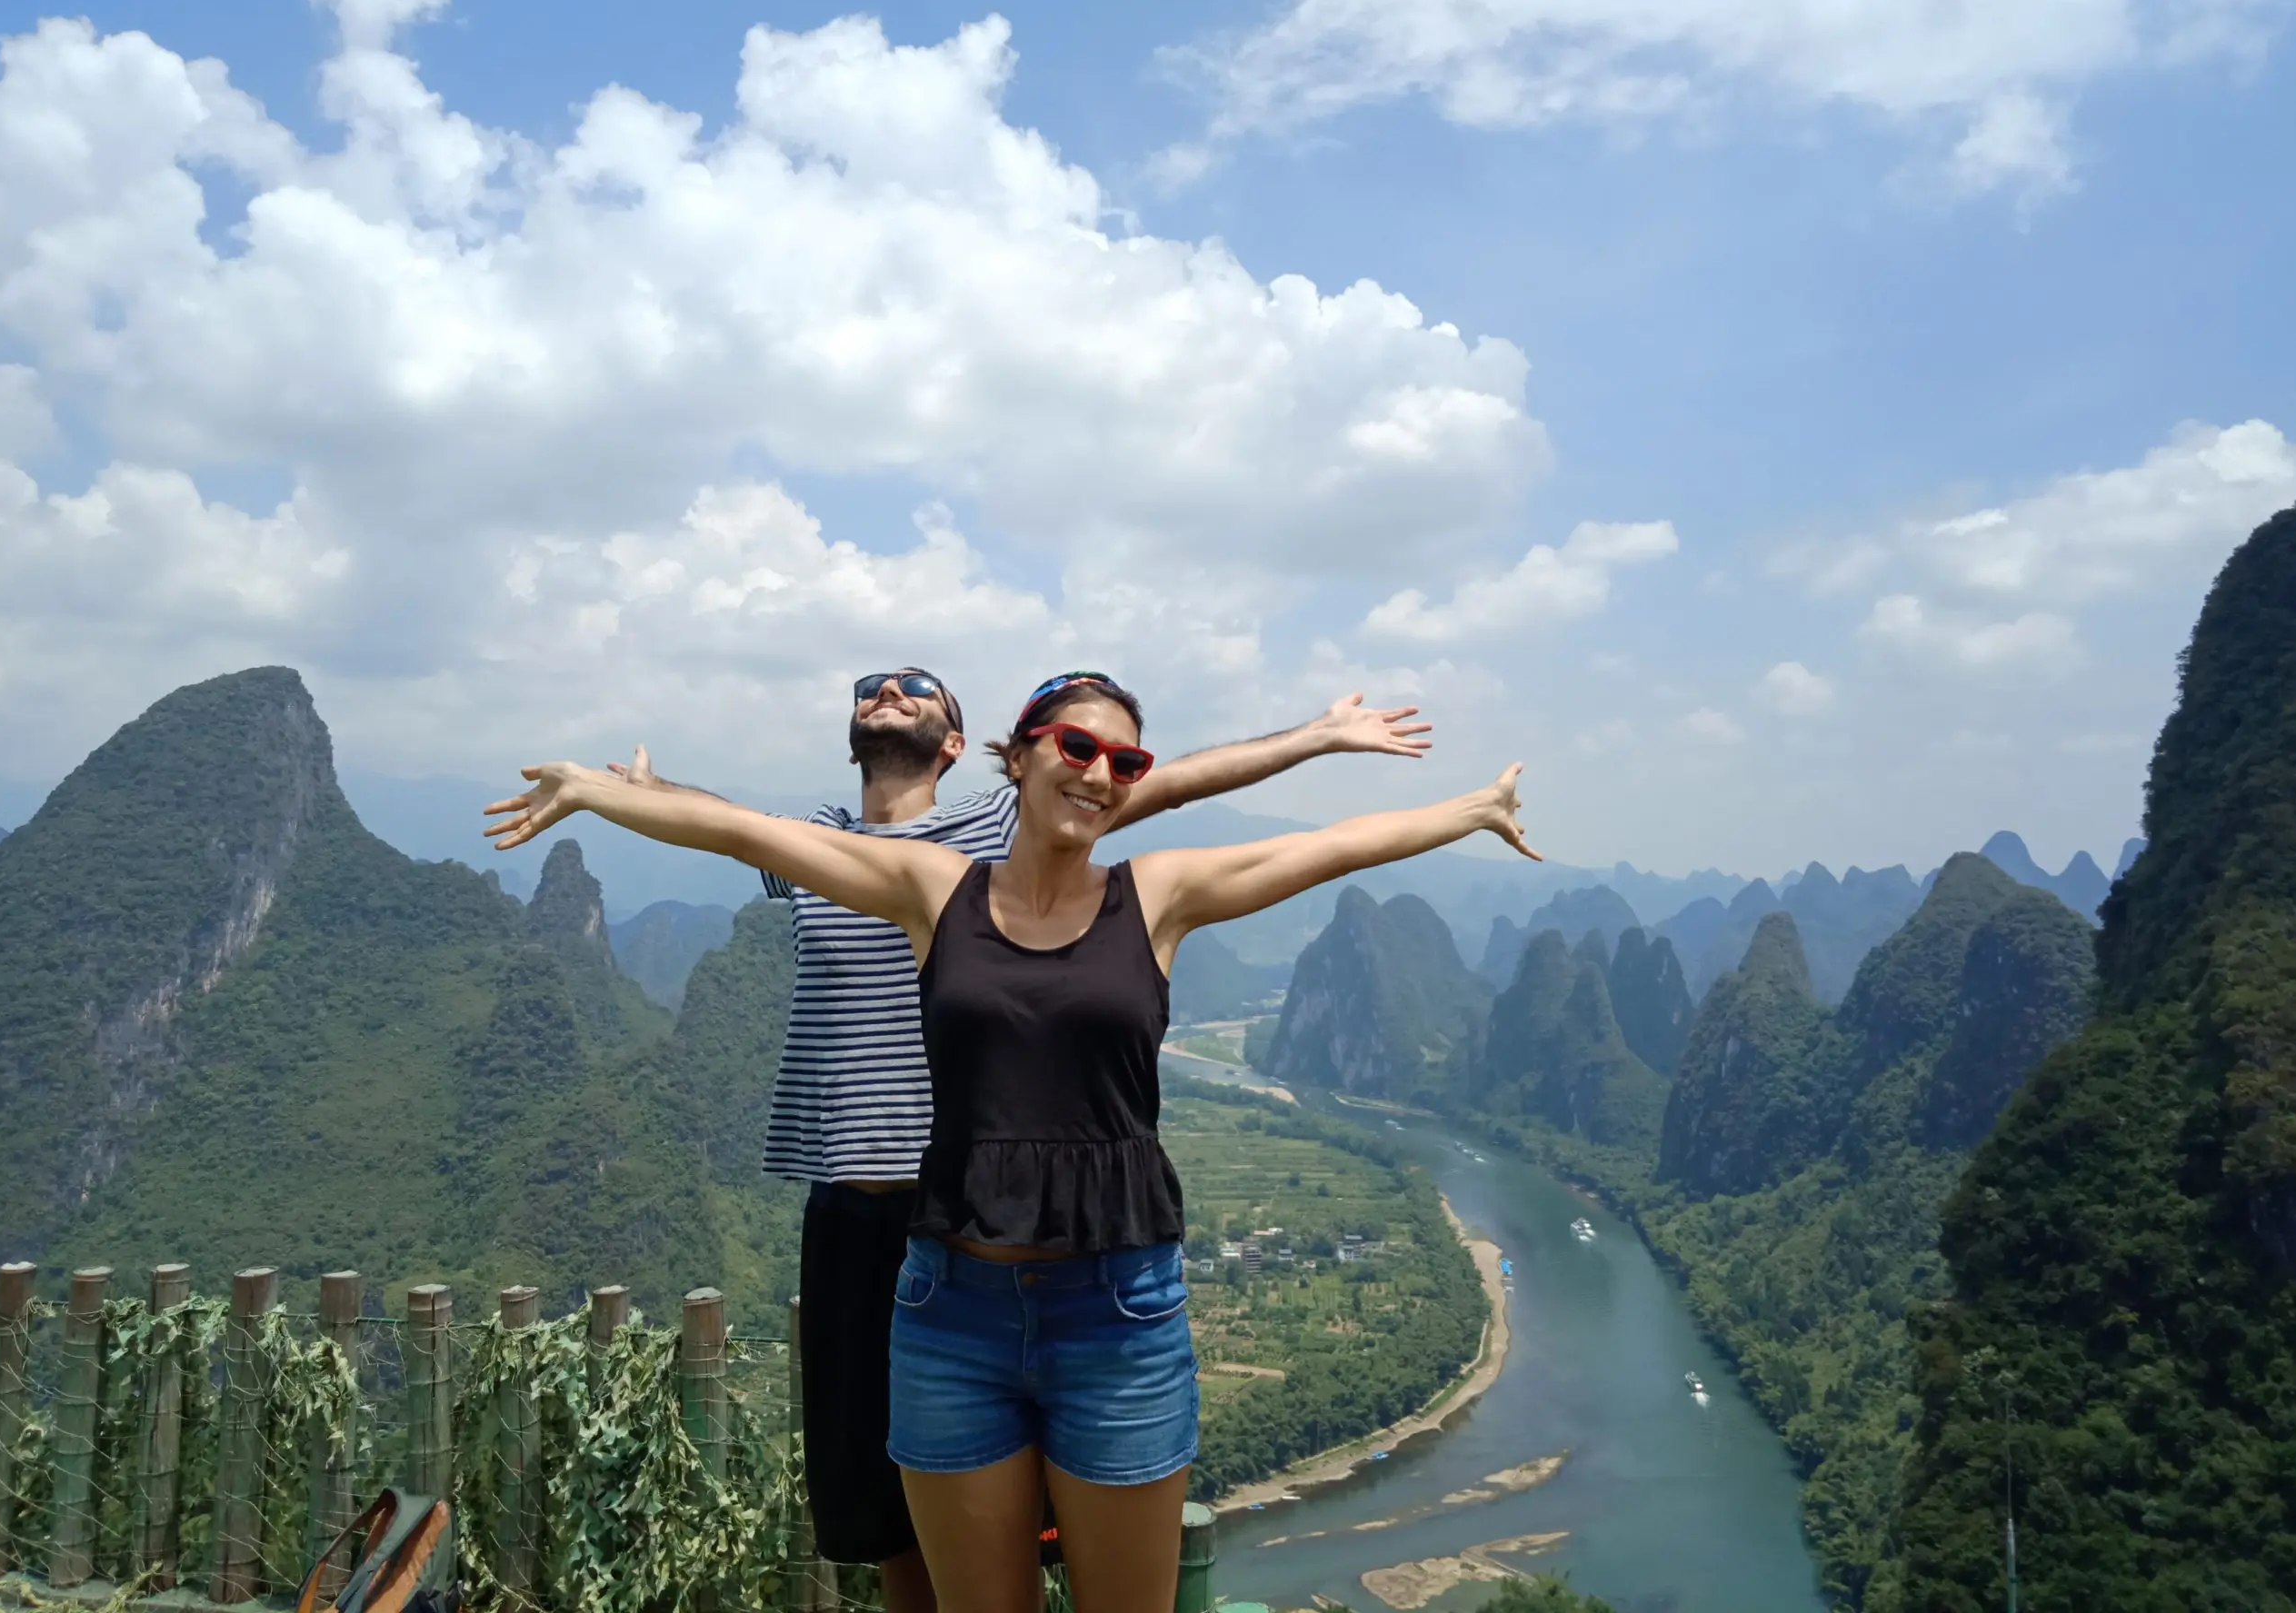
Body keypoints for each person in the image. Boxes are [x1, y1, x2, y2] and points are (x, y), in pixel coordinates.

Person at [486, 671, 1537, 1613]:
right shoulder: (927, 888)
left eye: (1120, 760)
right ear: (1020, 752)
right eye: (1075, 747)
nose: (1099, 772)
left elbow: (1318, 847)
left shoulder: (1148, 891)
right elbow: (744, 834)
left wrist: (1462, 804)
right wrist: (602, 791)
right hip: (949, 1301)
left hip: (1114, 1307)